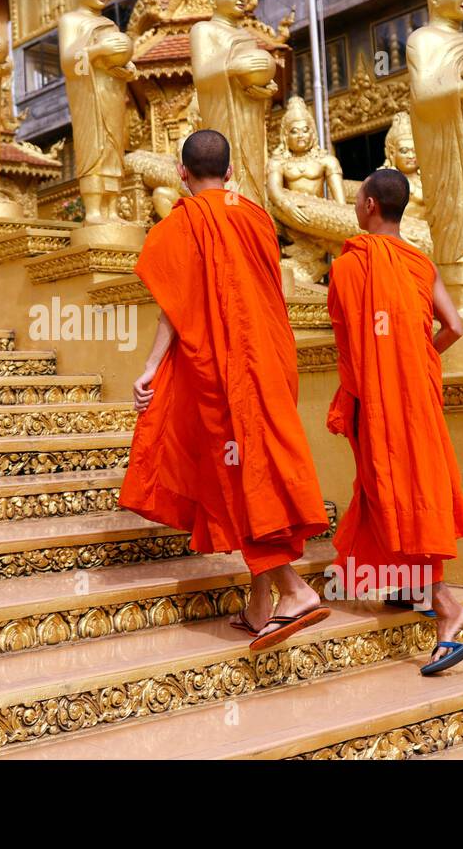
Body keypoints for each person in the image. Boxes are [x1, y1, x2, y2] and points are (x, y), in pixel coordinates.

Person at [119, 130, 331, 652]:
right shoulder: (256, 215)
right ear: (231, 172)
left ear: (181, 172)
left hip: (225, 365)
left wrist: (150, 366)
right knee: (259, 466)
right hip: (273, 355)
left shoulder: (183, 222)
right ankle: (260, 603)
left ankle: (293, 589)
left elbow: (178, 303)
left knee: (242, 475)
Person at [325, 167, 463, 675]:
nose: (355, 205)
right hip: (417, 395)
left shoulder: (350, 266)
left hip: (378, 398)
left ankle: (446, 606)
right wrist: (420, 357)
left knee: (388, 489)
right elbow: (455, 327)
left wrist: (358, 390)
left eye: (357, 198)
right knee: (410, 488)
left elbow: (351, 345)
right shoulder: (420, 262)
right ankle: (408, 585)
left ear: (370, 205)